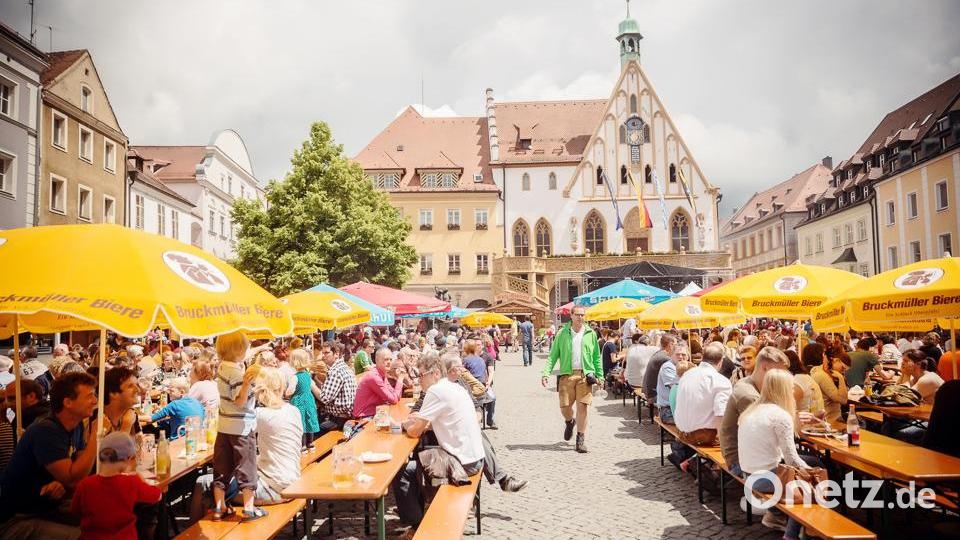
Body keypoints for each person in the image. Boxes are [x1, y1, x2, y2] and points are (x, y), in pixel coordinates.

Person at [394, 353, 524, 527]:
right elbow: (438, 422)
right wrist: (419, 423)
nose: (419, 380)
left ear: (435, 374)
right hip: (476, 459)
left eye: (421, 375)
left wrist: (404, 426)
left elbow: (415, 432)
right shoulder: (455, 387)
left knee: (403, 472)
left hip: (463, 465)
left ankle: (416, 527)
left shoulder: (435, 391)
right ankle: (420, 513)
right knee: (419, 464)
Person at [191, 367, 303, 522]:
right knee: (234, 479)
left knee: (202, 482)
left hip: (273, 488)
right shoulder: (293, 410)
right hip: (292, 480)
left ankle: (196, 533)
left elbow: (232, 442)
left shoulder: (261, 415)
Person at [0, 372, 99, 540]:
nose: (95, 401)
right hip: (16, 519)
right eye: (90, 396)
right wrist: (97, 436)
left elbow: (82, 472)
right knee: (84, 536)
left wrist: (62, 481)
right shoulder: (46, 430)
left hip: (46, 507)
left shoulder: (76, 426)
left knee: (102, 519)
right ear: (68, 402)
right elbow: (73, 477)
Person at [737, 369, 812, 539]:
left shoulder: (752, 410)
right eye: (791, 387)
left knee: (813, 462)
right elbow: (792, 459)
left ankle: (776, 516)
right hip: (765, 479)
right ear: (784, 389)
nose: (794, 391)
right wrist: (811, 474)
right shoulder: (780, 415)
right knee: (807, 484)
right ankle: (792, 534)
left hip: (748, 474)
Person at [212, 331, 266, 522]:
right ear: (238, 350)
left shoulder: (223, 367)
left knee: (221, 468)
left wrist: (262, 348)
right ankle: (249, 509)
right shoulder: (236, 373)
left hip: (224, 426)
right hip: (241, 428)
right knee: (247, 467)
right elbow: (240, 401)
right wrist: (247, 384)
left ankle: (219, 508)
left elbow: (240, 358)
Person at [70, 431, 161, 540]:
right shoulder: (132, 482)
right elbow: (156, 495)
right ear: (129, 458)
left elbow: (75, 511)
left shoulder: (85, 484)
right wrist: (140, 478)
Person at [718, 346, 791, 477]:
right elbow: (768, 434)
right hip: (741, 463)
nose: (783, 377)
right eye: (780, 372)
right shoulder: (749, 396)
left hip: (745, 455)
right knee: (813, 464)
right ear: (765, 368)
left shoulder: (749, 382)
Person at [541, 304, 602, 453]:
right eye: (578, 315)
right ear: (571, 316)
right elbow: (553, 355)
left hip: (585, 375)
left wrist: (600, 375)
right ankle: (569, 421)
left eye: (583, 315)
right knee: (565, 407)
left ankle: (580, 440)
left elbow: (596, 357)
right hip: (567, 375)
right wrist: (546, 373)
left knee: (583, 407)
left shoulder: (590, 333)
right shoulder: (562, 333)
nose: (580, 317)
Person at [674, 343, 732, 447]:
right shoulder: (721, 381)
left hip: (681, 432)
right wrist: (725, 443)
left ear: (702, 358)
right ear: (721, 362)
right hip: (703, 436)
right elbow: (721, 414)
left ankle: (690, 461)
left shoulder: (687, 374)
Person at [311, 342, 357, 432]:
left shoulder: (335, 371)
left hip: (339, 420)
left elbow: (324, 398)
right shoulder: (344, 367)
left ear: (336, 354)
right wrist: (317, 380)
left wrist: (311, 384)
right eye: (323, 353)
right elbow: (330, 390)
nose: (323, 356)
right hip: (346, 417)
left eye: (326, 353)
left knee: (314, 434)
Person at [353, 347, 405, 418]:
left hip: (375, 413)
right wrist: (400, 379)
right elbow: (394, 400)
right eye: (386, 359)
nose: (389, 362)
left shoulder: (381, 374)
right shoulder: (374, 377)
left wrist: (399, 381)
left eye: (390, 359)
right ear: (377, 360)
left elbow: (396, 396)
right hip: (364, 417)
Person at [805, 343, 848, 422]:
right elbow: (843, 400)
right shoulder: (823, 376)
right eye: (842, 366)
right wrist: (841, 378)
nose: (844, 369)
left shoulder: (817, 370)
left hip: (824, 418)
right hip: (831, 420)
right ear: (834, 360)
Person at [286, 349, 319, 449]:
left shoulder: (295, 377)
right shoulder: (307, 375)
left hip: (298, 401)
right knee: (309, 420)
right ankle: (310, 443)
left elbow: (290, 391)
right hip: (309, 400)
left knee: (300, 423)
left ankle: (303, 445)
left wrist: (286, 393)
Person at [98, 367, 142, 437]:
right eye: (130, 386)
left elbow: (139, 444)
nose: (138, 389)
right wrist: (126, 426)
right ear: (113, 393)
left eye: (136, 385)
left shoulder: (131, 414)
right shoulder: (98, 420)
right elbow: (112, 448)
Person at [642, 335, 676, 406]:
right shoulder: (665, 358)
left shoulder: (659, 353)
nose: (677, 347)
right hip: (653, 395)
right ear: (670, 345)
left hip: (648, 391)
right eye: (676, 344)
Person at [787, 350, 824, 414]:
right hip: (816, 419)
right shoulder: (804, 377)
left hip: (808, 421)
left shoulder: (797, 381)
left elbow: (785, 406)